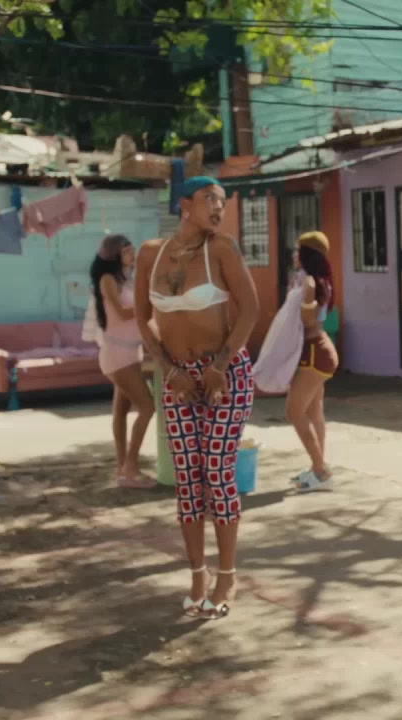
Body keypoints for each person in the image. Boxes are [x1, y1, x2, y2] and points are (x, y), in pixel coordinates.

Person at [134, 176, 259, 619]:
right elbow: (143, 318)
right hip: (177, 378)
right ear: (184, 204)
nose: (218, 208)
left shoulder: (222, 249)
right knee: (187, 479)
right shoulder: (150, 254)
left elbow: (250, 309)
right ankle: (197, 576)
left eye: (222, 201)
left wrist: (219, 366)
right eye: (210, 199)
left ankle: (227, 575)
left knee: (217, 474)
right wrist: (168, 370)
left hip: (225, 374)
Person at [90, 234, 155, 489]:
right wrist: (150, 304)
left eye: (132, 249)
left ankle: (122, 467)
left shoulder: (127, 279)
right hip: (117, 354)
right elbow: (120, 313)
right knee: (147, 407)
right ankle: (131, 467)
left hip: (131, 352)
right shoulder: (108, 279)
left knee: (120, 411)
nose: (132, 253)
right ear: (115, 255)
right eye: (127, 250)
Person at [286, 231, 340, 492]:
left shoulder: (309, 282)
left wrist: (300, 299)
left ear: (307, 254)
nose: (294, 255)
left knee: (294, 411)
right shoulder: (322, 281)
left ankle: (320, 470)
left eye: (299, 250)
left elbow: (307, 320)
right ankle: (318, 467)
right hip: (321, 350)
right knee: (314, 411)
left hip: (314, 353)